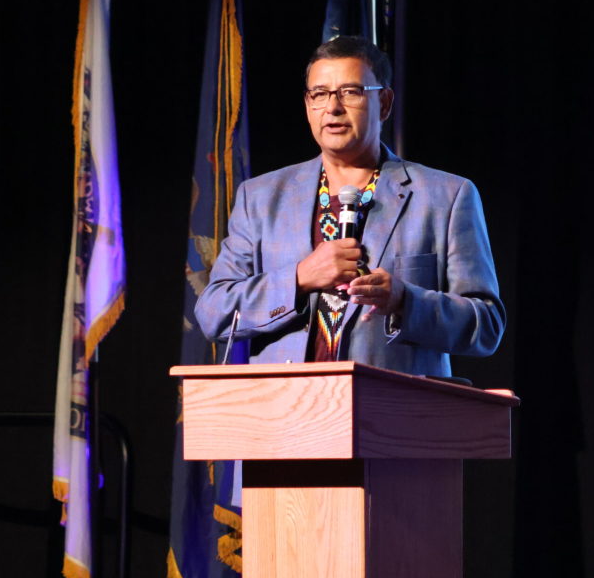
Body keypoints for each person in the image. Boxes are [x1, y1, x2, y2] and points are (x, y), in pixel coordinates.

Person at [194, 36, 504, 377]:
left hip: (392, 416)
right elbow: (214, 313)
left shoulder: (447, 196)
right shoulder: (261, 197)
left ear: (384, 103)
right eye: (320, 94)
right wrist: (299, 279)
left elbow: (486, 325)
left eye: (351, 91)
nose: (333, 107)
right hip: (284, 415)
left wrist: (406, 300)